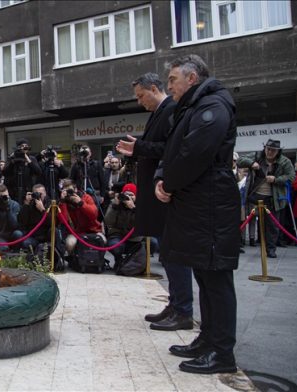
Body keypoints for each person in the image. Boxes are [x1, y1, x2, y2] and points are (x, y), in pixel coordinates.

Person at [154, 54, 240, 374]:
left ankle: (222, 354)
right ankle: (208, 340)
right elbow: (174, 149)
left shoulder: (213, 105)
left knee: (216, 279)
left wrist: (169, 182)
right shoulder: (194, 106)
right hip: (199, 207)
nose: (169, 87)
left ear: (192, 78)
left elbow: (194, 153)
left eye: (173, 80)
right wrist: (163, 179)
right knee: (204, 276)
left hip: (212, 208)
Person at [117, 72, 194, 332]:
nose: (140, 102)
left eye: (141, 96)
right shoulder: (159, 112)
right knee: (168, 252)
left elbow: (169, 148)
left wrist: (139, 148)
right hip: (156, 193)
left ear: (152, 88)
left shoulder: (171, 109)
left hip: (165, 194)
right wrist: (137, 148)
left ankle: (183, 310)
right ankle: (175, 304)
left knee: (174, 254)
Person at [237, 139, 295, 258]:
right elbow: (239, 160)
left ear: (278, 151)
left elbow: (291, 177)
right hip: (253, 195)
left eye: (273, 150)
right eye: (268, 149)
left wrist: (276, 179)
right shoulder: (257, 155)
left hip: (273, 198)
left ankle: (271, 249)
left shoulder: (285, 161)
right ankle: (240, 243)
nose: (269, 152)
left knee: (272, 225)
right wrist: (251, 163)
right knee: (244, 220)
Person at [58, 179, 104, 255]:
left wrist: (81, 203)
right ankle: (73, 260)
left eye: (71, 191)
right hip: (75, 232)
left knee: (103, 241)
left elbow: (94, 214)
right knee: (70, 244)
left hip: (93, 230)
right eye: (66, 191)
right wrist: (62, 202)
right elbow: (64, 221)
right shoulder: (63, 203)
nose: (69, 194)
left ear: (76, 190)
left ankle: (98, 262)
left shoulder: (86, 197)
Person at [104, 183, 137, 269]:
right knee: (117, 247)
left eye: (131, 195)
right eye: (126, 194)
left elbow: (142, 223)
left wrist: (134, 209)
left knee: (152, 243)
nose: (128, 197)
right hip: (117, 235)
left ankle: (132, 262)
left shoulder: (139, 205)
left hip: (134, 236)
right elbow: (108, 222)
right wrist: (114, 207)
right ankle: (119, 260)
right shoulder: (115, 204)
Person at [3, 138, 42, 204]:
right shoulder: (12, 158)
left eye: (25, 146)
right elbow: (5, 173)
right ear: (18, 148)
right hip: (14, 192)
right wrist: (12, 161)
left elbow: (38, 172)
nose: (24, 148)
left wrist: (29, 161)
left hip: (27, 192)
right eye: (21, 146)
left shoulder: (31, 158)